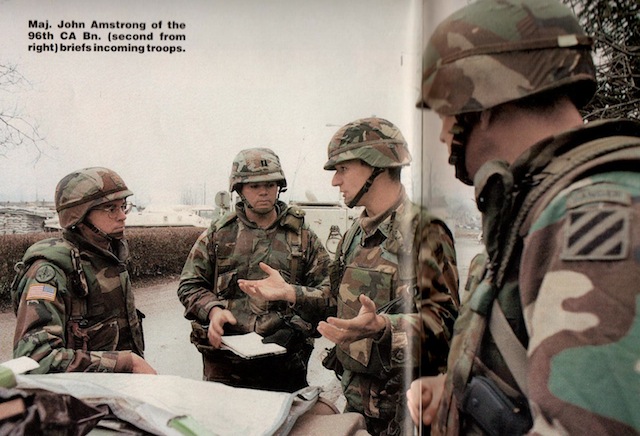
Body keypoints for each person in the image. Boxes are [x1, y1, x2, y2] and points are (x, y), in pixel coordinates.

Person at [410, 0, 640, 434]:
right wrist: (456, 392)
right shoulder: (538, 209)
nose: (442, 133)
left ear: (483, 98)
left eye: (444, 111)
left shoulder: (594, 217)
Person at [316, 117, 459, 435]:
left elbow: (447, 328)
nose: (335, 182)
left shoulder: (425, 232)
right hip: (356, 407)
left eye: (342, 169)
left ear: (376, 165)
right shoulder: (356, 230)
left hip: (401, 417)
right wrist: (290, 293)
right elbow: (334, 299)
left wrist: (384, 327)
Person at [177, 147, 332, 393]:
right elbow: (189, 285)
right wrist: (214, 310)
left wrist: (295, 322)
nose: (264, 191)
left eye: (270, 184)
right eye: (254, 185)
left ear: (279, 187)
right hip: (226, 364)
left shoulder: (302, 237)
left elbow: (328, 294)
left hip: (285, 362)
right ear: (239, 190)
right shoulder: (219, 235)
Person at [11, 167, 156, 374]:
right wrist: (125, 363)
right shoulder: (50, 272)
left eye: (123, 206)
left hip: (114, 397)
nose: (122, 216)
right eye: (110, 208)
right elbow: (35, 359)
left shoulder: (109, 258)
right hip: (74, 402)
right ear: (78, 215)